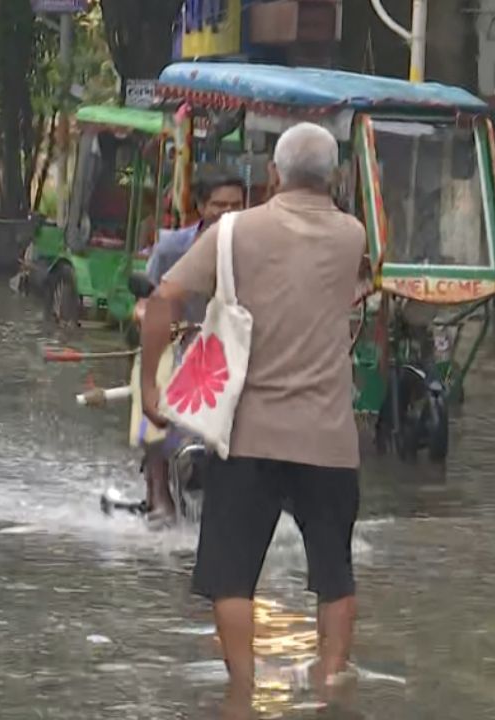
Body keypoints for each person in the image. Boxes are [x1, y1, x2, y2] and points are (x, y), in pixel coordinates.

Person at [140, 123, 365, 692]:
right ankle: (330, 682)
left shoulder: (232, 231)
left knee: (231, 575)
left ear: (273, 174)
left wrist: (150, 388)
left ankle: (242, 690)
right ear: (334, 176)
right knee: (334, 574)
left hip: (248, 437)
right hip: (330, 438)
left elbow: (163, 300)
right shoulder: (354, 236)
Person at [137, 169, 246, 524]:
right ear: (201, 207)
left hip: (233, 346)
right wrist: (153, 321)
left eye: (236, 206)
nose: (227, 213)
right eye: (218, 205)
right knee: (152, 376)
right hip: (180, 343)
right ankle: (158, 489)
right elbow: (150, 301)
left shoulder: (254, 247)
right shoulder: (172, 247)